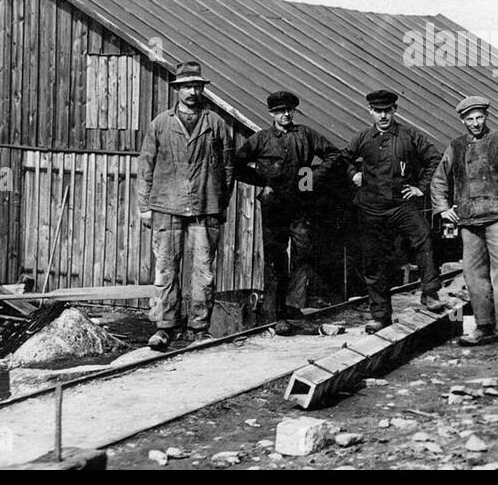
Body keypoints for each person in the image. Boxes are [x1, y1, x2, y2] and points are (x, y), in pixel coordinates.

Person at [136, 61, 235, 351]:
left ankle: (199, 329)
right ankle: (165, 327)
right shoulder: (161, 123)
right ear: (177, 89)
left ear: (202, 89)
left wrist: (219, 201)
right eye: (186, 86)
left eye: (196, 86)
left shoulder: (215, 123)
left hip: (206, 207)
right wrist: (144, 206)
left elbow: (228, 168)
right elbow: (146, 166)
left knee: (203, 270)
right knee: (166, 269)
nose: (192, 91)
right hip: (166, 207)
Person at [431, 96, 498, 349]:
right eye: (469, 119)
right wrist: (443, 208)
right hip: (469, 222)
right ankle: (484, 326)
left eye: (479, 117)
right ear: (462, 120)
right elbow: (438, 180)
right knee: (474, 275)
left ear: (486, 117)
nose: (475, 123)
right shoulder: (456, 147)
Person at [234, 90, 343, 335]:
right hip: (274, 207)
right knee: (276, 257)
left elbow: (335, 155)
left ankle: (293, 309)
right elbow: (236, 164)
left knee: (303, 254)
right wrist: (262, 183)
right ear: (271, 114)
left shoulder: (305, 135)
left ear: (293, 111)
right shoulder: (261, 139)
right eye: (279, 111)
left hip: (300, 204)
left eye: (288, 110)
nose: (285, 115)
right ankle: (275, 315)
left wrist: (311, 177)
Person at [343, 89, 446, 332]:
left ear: (395, 110)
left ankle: (430, 293)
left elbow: (434, 158)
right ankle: (380, 315)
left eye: (387, 111)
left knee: (424, 237)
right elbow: (342, 159)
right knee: (374, 259)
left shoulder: (409, 136)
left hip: (400, 204)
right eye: (378, 111)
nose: (383, 116)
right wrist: (353, 174)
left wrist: (421, 188)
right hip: (371, 208)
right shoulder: (363, 138)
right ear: (370, 112)